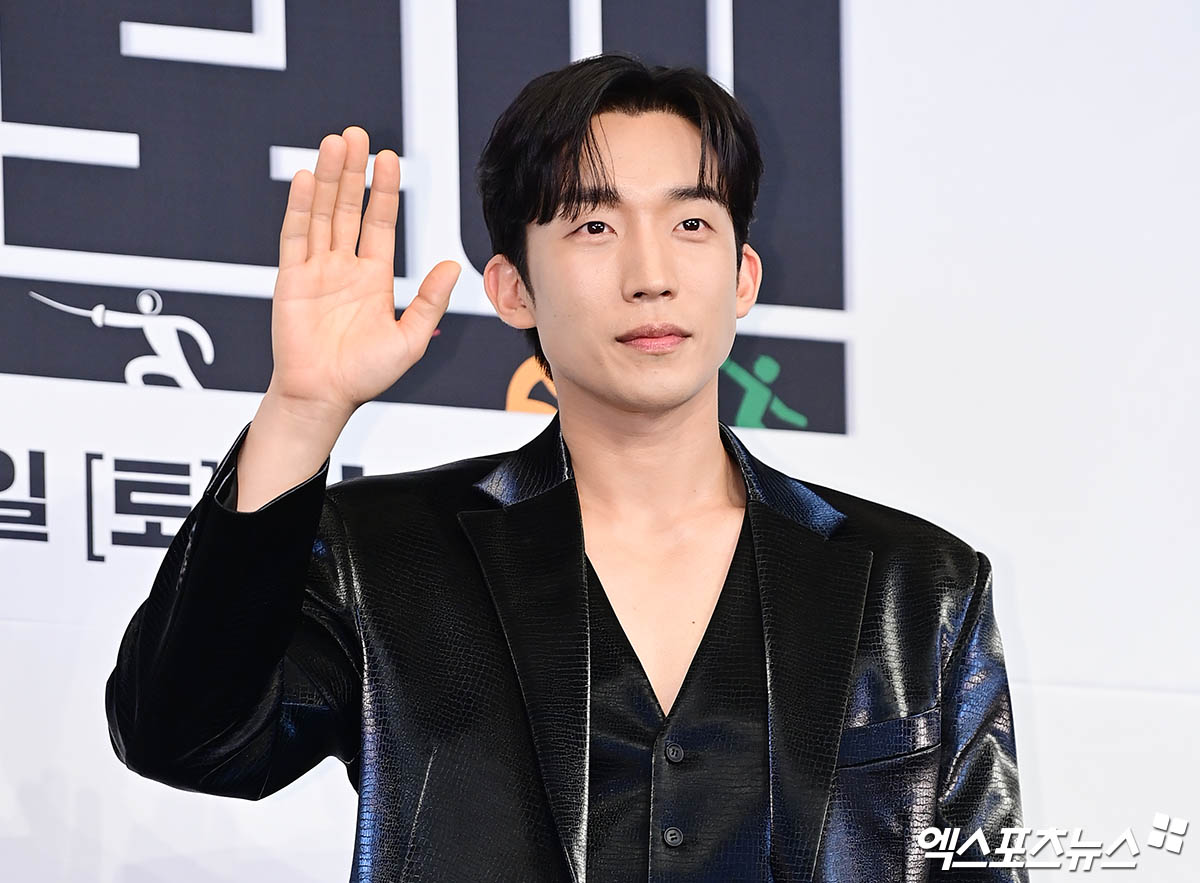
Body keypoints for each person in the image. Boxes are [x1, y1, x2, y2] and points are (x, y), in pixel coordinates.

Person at [105, 53, 1027, 882]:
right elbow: (186, 738)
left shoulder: (920, 586)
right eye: (593, 226)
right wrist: (302, 409)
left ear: (743, 275)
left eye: (691, 223)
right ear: (513, 288)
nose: (651, 274)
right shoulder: (385, 554)